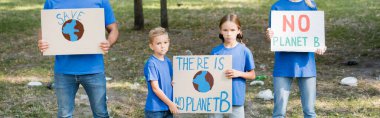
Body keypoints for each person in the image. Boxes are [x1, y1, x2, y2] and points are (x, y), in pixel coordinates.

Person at [38, 0, 119, 117]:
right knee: (64, 114)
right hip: (64, 70)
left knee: (101, 113)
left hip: (93, 69)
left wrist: (109, 42)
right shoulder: (51, 1)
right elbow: (44, 29)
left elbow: (113, 29)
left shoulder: (100, 1)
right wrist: (42, 41)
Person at [265, 0, 327, 117]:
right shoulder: (277, 6)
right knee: (279, 113)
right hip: (283, 65)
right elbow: (272, 37)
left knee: (310, 111)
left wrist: (320, 46)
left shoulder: (311, 6)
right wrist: (269, 36)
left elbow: (315, 35)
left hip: (306, 65)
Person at [210, 14, 256, 118]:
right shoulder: (216, 51)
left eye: (232, 30)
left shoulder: (245, 51)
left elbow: (252, 75)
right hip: (216, 98)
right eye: (225, 30)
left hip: (236, 98)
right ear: (220, 31)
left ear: (239, 31)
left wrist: (238, 73)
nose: (229, 33)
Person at [143, 27, 178, 118]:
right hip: (155, 109)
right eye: (158, 43)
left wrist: (173, 83)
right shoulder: (152, 63)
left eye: (165, 42)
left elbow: (168, 81)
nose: (163, 46)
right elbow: (155, 88)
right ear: (151, 46)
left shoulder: (168, 62)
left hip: (167, 108)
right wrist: (170, 103)